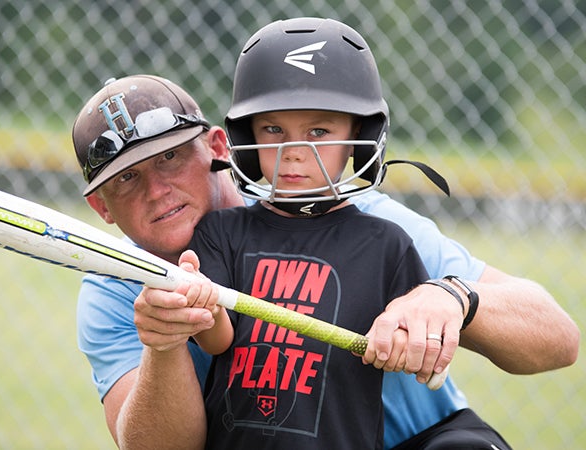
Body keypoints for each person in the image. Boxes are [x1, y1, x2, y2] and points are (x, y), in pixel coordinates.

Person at [71, 56, 577, 450]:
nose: (158, 190)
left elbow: (558, 338)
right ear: (101, 207)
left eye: (171, 157)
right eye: (128, 179)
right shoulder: (115, 288)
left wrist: (451, 297)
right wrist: (163, 346)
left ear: (219, 148)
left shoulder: (343, 215)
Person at [177, 18, 445, 448]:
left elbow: (416, 346)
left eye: (319, 131)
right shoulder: (221, 232)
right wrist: (200, 305)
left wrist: (401, 344)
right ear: (247, 136)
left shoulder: (385, 245)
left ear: (360, 134)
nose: (294, 152)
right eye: (272, 130)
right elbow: (217, 341)